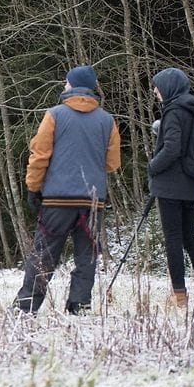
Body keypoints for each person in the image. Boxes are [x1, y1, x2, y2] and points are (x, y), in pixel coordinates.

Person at [15, 65, 121, 315]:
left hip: (57, 200)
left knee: (45, 254)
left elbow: (39, 155)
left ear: (72, 85)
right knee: (87, 257)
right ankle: (79, 306)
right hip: (93, 201)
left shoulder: (54, 115)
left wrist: (33, 187)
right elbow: (112, 163)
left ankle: (26, 307)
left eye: (66, 82)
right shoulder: (107, 120)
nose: (64, 86)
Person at [148, 67, 194, 306]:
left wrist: (153, 165)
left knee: (173, 239)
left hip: (170, 184)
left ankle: (179, 296)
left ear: (168, 87)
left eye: (157, 86)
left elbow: (173, 147)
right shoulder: (193, 108)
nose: (155, 90)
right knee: (190, 239)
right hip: (188, 183)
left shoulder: (174, 110)